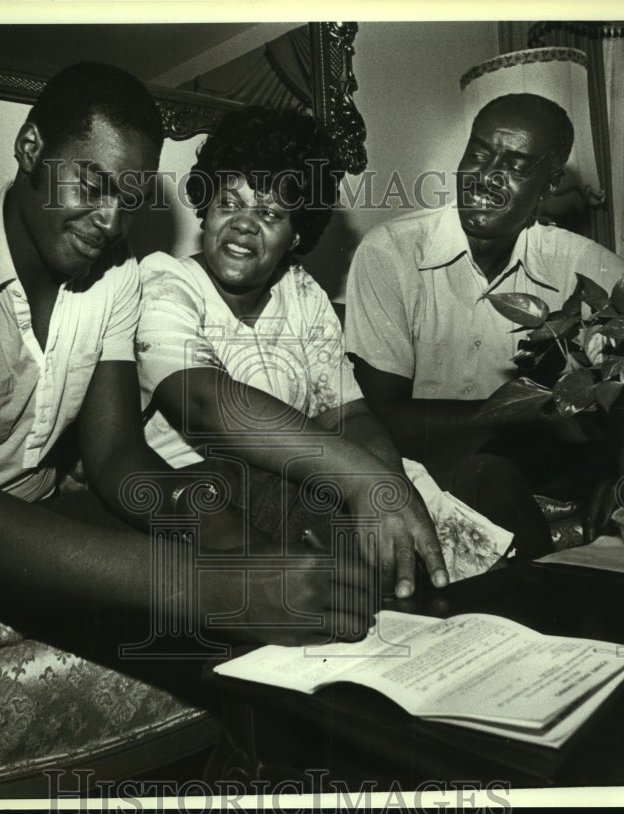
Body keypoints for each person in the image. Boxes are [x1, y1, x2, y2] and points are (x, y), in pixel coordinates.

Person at [0, 65, 372, 801]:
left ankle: (322, 753)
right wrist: (218, 588)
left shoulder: (115, 278)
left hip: (39, 513)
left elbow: (114, 456)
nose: (108, 219)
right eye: (90, 185)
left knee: (249, 490)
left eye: (129, 200)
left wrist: (229, 537)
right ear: (29, 147)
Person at [136, 107, 464, 602]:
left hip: (297, 477)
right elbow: (203, 404)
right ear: (204, 209)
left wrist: (386, 486)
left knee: (479, 482)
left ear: (297, 235)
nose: (244, 225)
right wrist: (359, 477)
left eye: (270, 214)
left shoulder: (302, 295)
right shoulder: (164, 280)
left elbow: (350, 415)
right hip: (198, 497)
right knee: (317, 513)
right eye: (230, 203)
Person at [344, 93, 624, 553]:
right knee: (488, 474)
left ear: (549, 185)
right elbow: (379, 416)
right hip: (436, 465)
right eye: (478, 154)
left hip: (550, 469)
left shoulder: (587, 266)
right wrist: (528, 416)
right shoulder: (391, 252)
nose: (485, 176)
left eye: (516, 166)